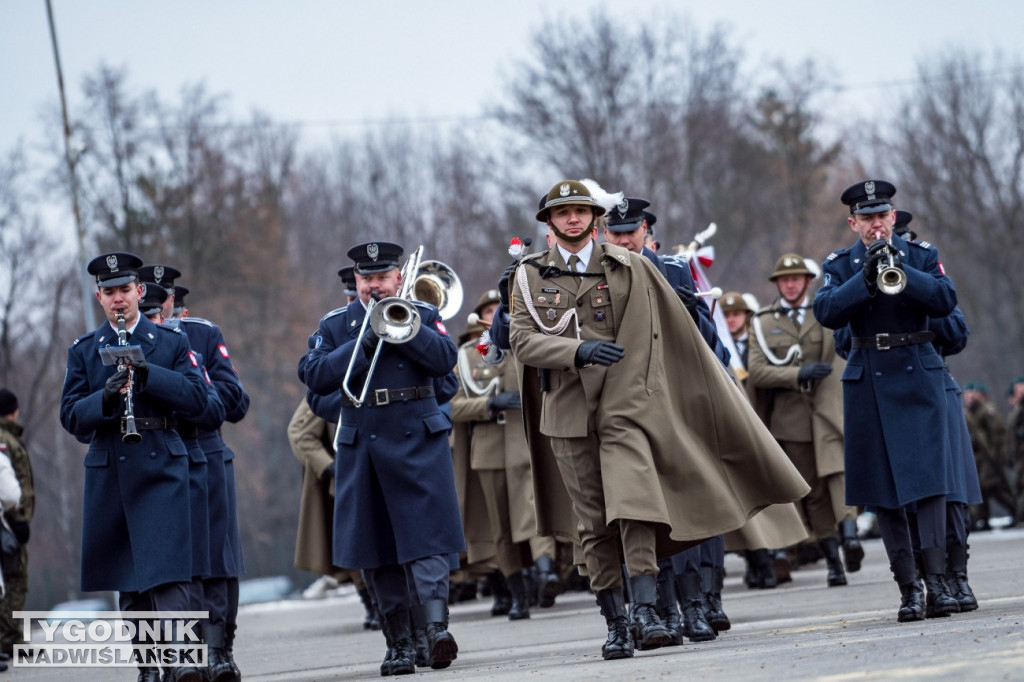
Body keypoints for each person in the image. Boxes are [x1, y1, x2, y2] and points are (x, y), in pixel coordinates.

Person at [509, 180, 808, 660]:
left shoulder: (629, 267)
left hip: (625, 406)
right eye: (561, 213)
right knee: (593, 524)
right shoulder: (527, 277)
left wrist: (631, 395)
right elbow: (523, 341)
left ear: (594, 218)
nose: (572, 220)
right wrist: (578, 350)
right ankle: (615, 620)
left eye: (580, 211)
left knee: (635, 506)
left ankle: (647, 610)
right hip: (566, 410)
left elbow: (650, 337)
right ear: (548, 223)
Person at [302, 241, 463, 675]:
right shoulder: (336, 324)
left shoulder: (424, 315)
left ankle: (435, 631)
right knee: (376, 546)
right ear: (355, 281)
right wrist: (363, 338)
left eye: (382, 277)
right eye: (366, 278)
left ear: (397, 278)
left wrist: (408, 331)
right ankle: (399, 643)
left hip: (417, 433)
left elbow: (447, 361)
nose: (374, 286)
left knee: (428, 538)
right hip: (366, 438)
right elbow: (313, 376)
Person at [814, 180, 960, 622]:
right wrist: (866, 279)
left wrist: (902, 270)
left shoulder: (921, 255)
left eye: (883, 216)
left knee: (931, 483)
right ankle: (909, 589)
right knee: (885, 488)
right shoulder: (840, 265)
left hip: (918, 368)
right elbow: (826, 312)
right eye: (867, 218)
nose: (876, 224)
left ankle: (938, 583)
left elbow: (945, 300)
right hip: (869, 375)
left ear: (893, 217)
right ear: (852, 222)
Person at [60, 252, 209, 682]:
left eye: (125, 290)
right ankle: (148, 665)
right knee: (130, 577)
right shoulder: (85, 351)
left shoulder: (171, 343)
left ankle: (179, 657)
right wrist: (104, 398)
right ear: (99, 297)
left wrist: (149, 376)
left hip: (161, 460)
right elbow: (70, 417)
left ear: (140, 291)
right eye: (109, 292)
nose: (118, 300)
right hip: (112, 466)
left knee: (169, 570)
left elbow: (199, 402)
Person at [748, 253, 861, 588]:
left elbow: (842, 350)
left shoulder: (826, 312)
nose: (791, 284)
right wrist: (798, 374)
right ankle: (832, 560)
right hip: (791, 419)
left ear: (809, 281)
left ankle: (851, 536)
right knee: (811, 494)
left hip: (828, 413)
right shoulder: (764, 321)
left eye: (797, 278)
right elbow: (758, 371)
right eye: (784, 279)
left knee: (839, 475)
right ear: (777, 284)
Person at [451, 290, 565, 621]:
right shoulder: (468, 355)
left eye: (501, 309)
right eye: (487, 309)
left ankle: (546, 573)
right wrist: (487, 405)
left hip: (527, 442)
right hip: (489, 448)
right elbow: (452, 406)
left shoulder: (526, 346)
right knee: (501, 526)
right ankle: (516, 593)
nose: (494, 314)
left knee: (533, 511)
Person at [169, 276, 251, 682]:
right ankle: (179, 657)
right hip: (157, 458)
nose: (159, 315)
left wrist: (199, 382)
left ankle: (220, 651)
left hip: (206, 449)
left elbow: (235, 403)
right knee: (174, 566)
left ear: (178, 307)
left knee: (218, 560)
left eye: (164, 307)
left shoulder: (202, 334)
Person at [0, 388, 31, 661]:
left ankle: (12, 639)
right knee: (13, 581)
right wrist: (18, 520)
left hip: (10, 521)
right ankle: (8, 639)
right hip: (8, 523)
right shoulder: (4, 439)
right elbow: (9, 487)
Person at [963, 383, 1012, 529]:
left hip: (988, 458)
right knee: (983, 489)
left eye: (973, 394)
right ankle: (983, 519)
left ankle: (1016, 511)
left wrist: (997, 456)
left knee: (993, 488)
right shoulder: (971, 412)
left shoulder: (986, 412)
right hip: (977, 458)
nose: (970, 398)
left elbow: (996, 436)